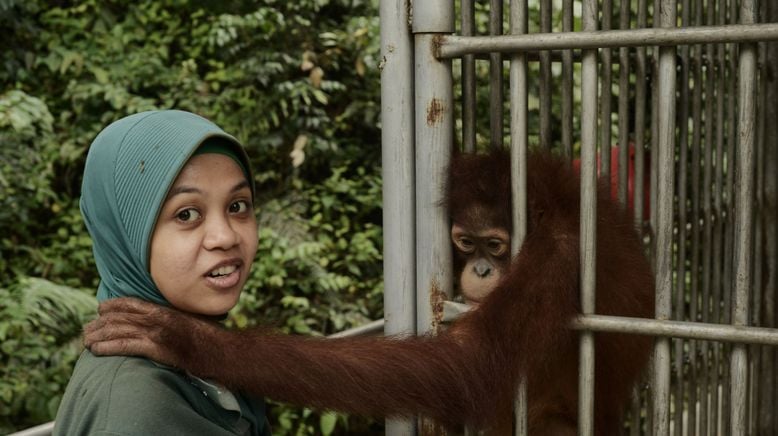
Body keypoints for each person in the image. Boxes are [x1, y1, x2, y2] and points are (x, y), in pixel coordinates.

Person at [53, 110, 271, 436]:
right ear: (126, 234)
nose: (225, 237)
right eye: (186, 214)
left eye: (238, 206)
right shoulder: (135, 403)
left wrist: (218, 352)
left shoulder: (193, 352)